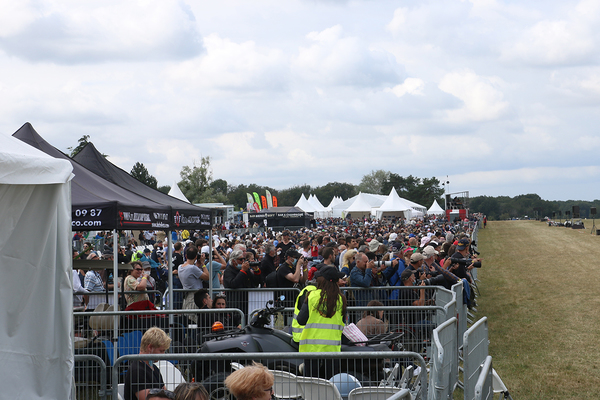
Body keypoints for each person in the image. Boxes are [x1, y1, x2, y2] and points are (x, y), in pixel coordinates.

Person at [297, 266, 347, 378]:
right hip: (332, 347)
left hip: (311, 347)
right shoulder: (341, 299)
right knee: (331, 382)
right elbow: (342, 321)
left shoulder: (312, 296)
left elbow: (301, 320)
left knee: (311, 382)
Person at [124, 327, 171, 400]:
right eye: (161, 351)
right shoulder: (136, 370)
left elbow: (166, 393)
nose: (163, 354)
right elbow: (146, 398)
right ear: (150, 347)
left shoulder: (154, 368)